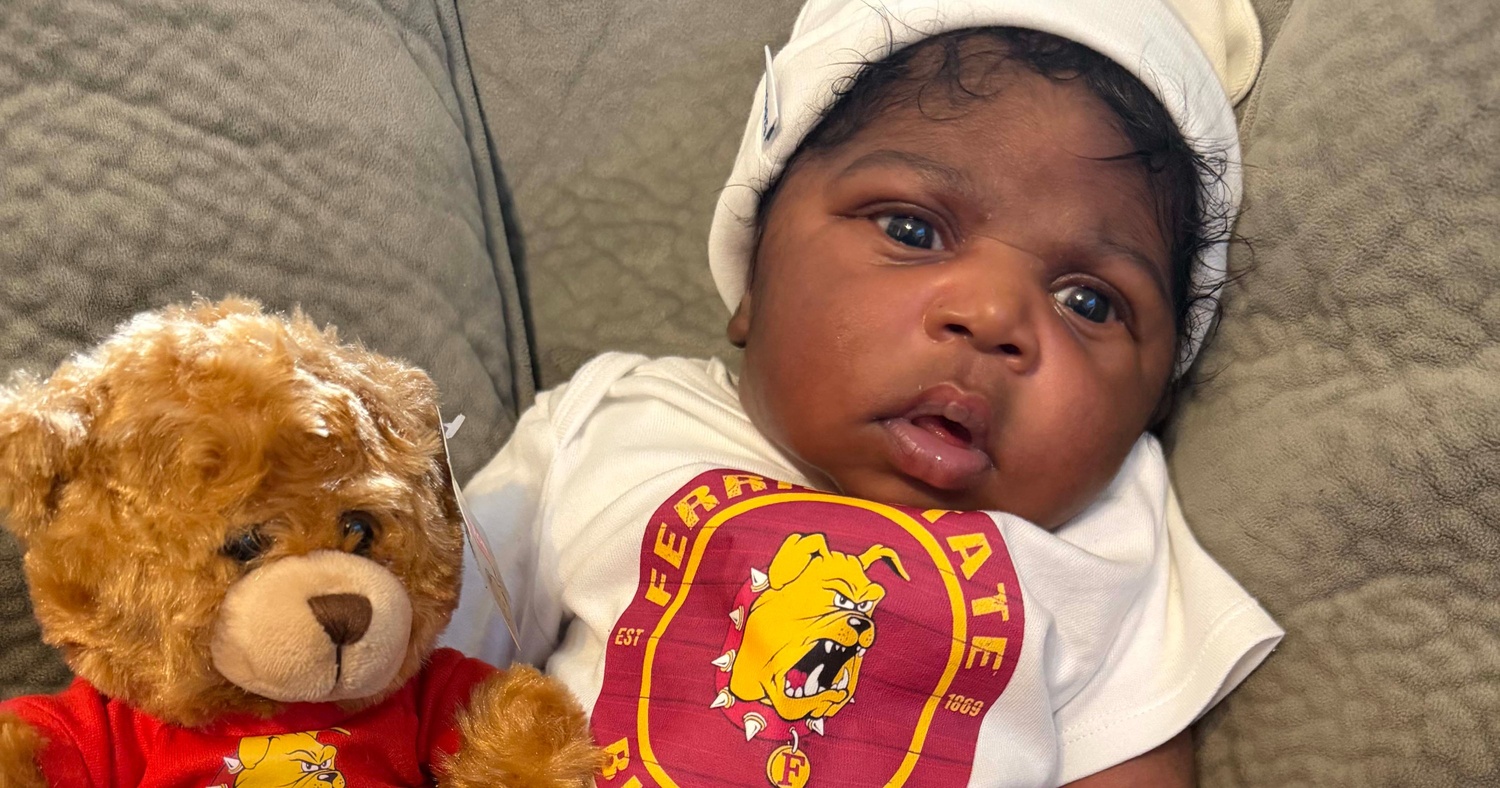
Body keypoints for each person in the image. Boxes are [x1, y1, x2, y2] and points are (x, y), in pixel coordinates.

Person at [443, 0, 1283, 785]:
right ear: (751, 272)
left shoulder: (1114, 538)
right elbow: (419, 667)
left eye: (1089, 302)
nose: (992, 316)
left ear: (1154, 399)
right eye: (912, 230)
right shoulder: (612, 423)